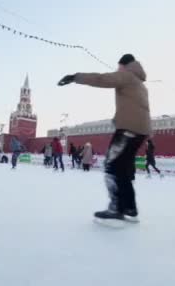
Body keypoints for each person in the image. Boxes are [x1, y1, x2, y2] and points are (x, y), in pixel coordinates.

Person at [58, 53, 151, 221]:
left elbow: (101, 79)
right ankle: (129, 207)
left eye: (118, 66)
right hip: (141, 130)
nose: (117, 69)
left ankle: (116, 207)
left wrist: (75, 77)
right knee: (121, 169)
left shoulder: (127, 76)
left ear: (124, 65)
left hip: (128, 129)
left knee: (111, 166)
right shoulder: (139, 82)